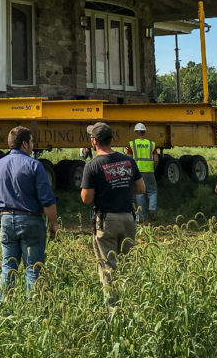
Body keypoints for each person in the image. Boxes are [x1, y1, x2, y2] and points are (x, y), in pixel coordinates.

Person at [0, 126, 58, 297]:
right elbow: (47, 200)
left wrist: (5, 216)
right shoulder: (35, 165)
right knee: (33, 269)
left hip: (6, 220)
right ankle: (33, 310)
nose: (33, 145)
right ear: (25, 144)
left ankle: (3, 309)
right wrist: (53, 223)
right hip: (31, 220)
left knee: (8, 267)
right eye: (32, 141)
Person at [81, 122, 144, 305]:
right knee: (128, 264)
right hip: (128, 218)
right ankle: (132, 303)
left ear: (94, 141)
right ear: (111, 139)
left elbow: (86, 198)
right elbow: (141, 188)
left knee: (108, 267)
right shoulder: (128, 161)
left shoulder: (92, 166)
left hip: (107, 220)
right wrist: (121, 189)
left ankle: (113, 310)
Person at [126, 122, 157, 224]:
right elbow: (156, 159)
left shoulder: (132, 144)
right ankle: (152, 210)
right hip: (149, 171)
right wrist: (153, 168)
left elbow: (129, 159)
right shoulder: (151, 144)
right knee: (152, 192)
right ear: (144, 132)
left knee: (140, 193)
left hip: (137, 172)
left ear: (136, 132)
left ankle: (142, 216)